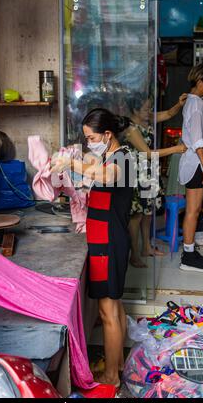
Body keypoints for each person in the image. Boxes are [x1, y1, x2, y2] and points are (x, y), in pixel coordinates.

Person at [51, 108, 134, 388]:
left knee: (107, 313)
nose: (88, 143)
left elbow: (108, 177)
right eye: (85, 138)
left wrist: (70, 164)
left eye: (92, 137)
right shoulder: (108, 156)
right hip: (104, 241)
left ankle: (111, 378)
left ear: (108, 135)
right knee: (116, 307)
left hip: (109, 243)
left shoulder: (122, 158)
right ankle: (118, 364)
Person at [122, 92, 187, 267]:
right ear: (135, 109)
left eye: (150, 107)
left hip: (149, 172)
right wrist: (176, 149)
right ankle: (134, 254)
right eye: (146, 108)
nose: (149, 111)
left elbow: (168, 114)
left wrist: (179, 104)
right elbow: (148, 153)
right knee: (136, 215)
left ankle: (147, 248)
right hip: (135, 174)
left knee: (148, 212)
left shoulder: (146, 118)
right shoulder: (130, 128)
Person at [178, 63, 203, 273]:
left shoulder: (195, 104)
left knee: (193, 211)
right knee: (193, 211)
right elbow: (196, 140)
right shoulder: (195, 105)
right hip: (196, 164)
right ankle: (188, 256)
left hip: (195, 163)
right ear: (200, 82)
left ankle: (190, 251)